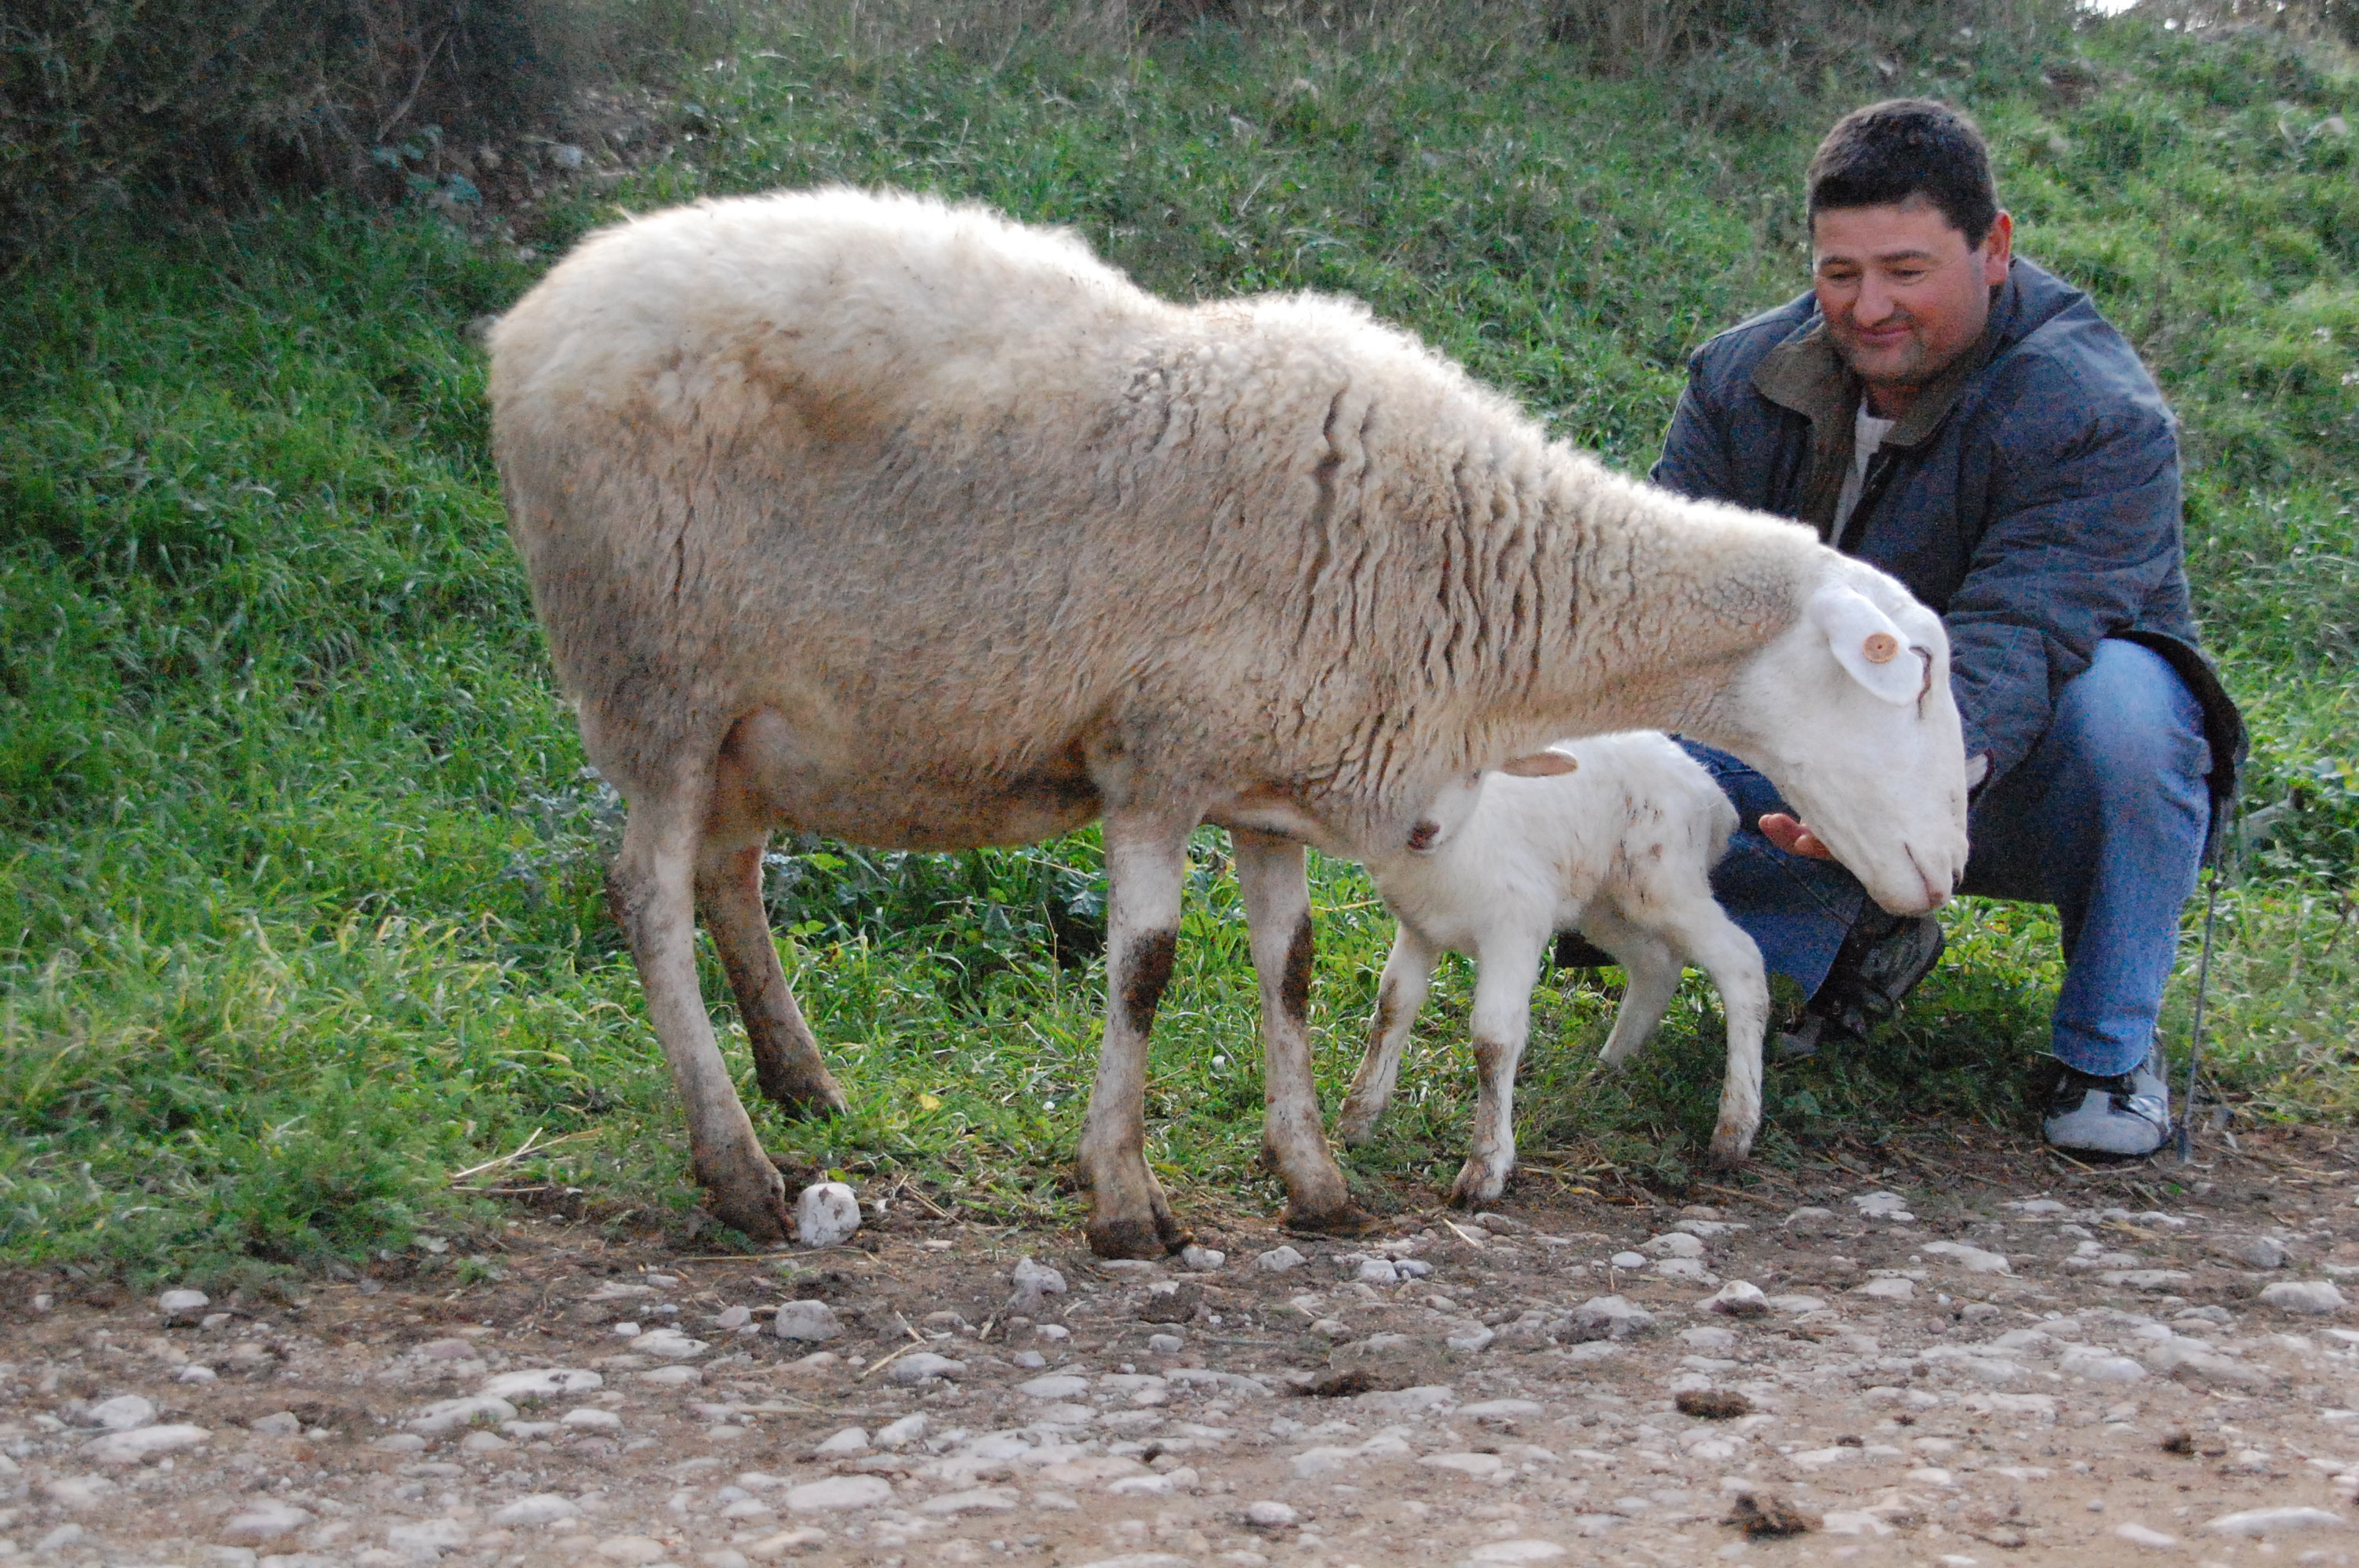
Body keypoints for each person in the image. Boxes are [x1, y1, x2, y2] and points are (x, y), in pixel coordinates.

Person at [1645, 98, 2243, 1158]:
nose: (1868, 306)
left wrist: (1882, 787)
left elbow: (2019, 633)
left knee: (2135, 709)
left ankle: (2106, 1049)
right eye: (1840, 273)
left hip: (2014, 768)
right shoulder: (1738, 378)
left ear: (1995, 248)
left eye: (1907, 272)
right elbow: (1664, 595)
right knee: (1600, 736)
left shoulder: (2095, 409)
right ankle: (1839, 951)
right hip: (1808, 753)